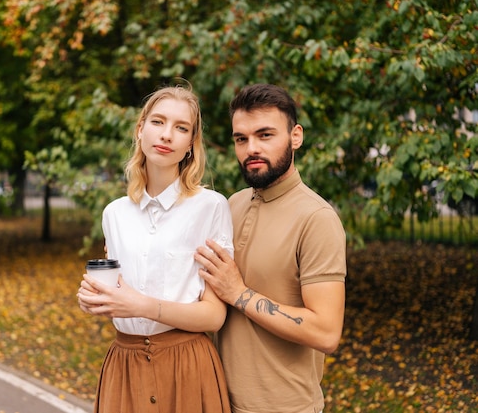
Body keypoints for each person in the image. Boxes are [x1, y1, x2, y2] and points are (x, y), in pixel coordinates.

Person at [77, 82, 234, 413]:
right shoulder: (114, 214)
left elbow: (215, 315)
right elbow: (117, 293)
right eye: (158, 122)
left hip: (187, 367)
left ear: (191, 143)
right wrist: (93, 298)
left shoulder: (211, 207)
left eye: (181, 128)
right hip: (125, 365)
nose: (167, 135)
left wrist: (141, 305)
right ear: (140, 129)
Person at [194, 83, 347, 413]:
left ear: (295, 137)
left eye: (265, 135)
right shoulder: (230, 206)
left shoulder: (316, 218)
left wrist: (239, 293)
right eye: (241, 138)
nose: (251, 148)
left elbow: (326, 333)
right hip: (218, 400)